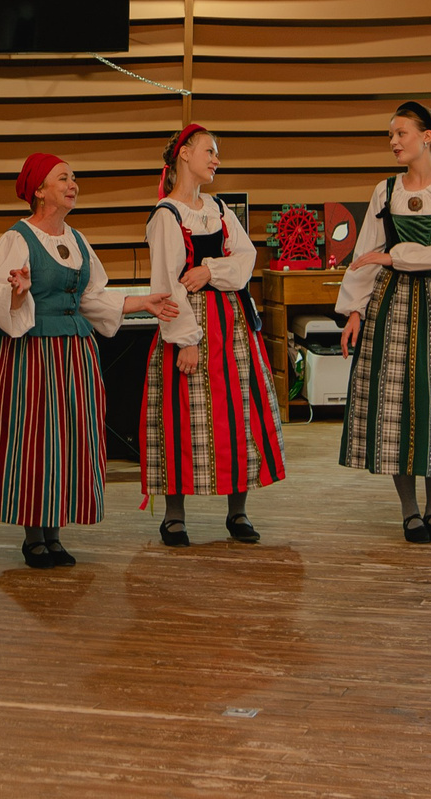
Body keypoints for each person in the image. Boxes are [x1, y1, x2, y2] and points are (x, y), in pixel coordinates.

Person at [0, 152, 177, 568]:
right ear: (39, 190)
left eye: (74, 178)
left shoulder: (77, 240)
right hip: (30, 353)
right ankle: (34, 536)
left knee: (67, 440)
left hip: (74, 354)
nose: (73, 184)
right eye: (63, 178)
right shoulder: (17, 239)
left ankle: (54, 533)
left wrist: (143, 303)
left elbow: (93, 299)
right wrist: (18, 291)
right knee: (33, 441)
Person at [336, 99, 431, 543]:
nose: (394, 141)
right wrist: (355, 311)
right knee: (394, 406)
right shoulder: (385, 191)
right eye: (390, 135)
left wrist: (393, 255)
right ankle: (409, 511)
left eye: (401, 133)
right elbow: (365, 253)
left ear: (427, 136)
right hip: (392, 308)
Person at [140, 124, 285, 546]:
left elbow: (245, 259)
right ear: (184, 154)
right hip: (191, 326)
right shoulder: (166, 215)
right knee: (181, 420)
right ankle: (174, 517)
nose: (216, 159)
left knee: (237, 416)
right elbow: (166, 282)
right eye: (210, 151)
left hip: (231, 325)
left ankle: (237, 512)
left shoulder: (220, 209)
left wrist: (210, 270)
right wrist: (186, 338)